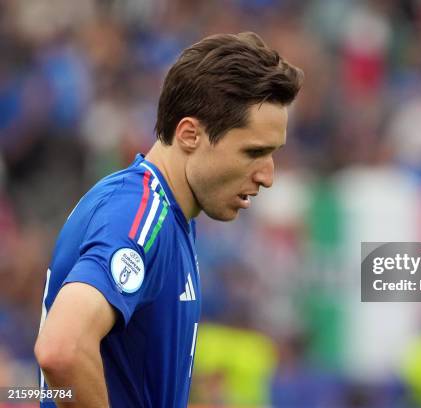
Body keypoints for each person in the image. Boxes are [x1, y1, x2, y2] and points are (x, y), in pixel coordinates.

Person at [34, 32, 303, 407]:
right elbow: (62, 350)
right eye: (253, 152)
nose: (267, 176)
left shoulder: (171, 216)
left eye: (273, 153)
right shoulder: (138, 215)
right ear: (190, 134)